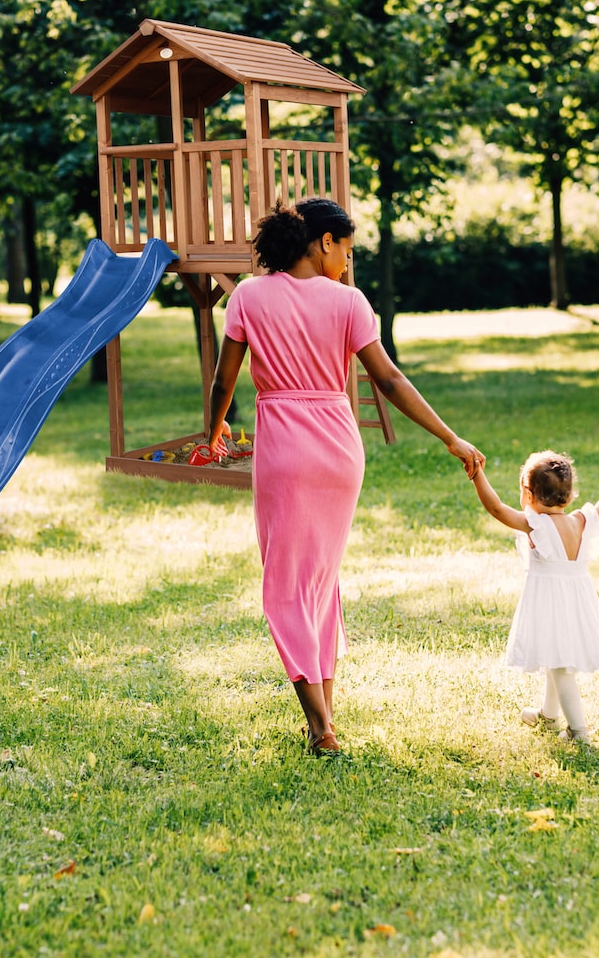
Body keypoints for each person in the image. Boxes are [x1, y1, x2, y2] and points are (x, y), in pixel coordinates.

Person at [207, 198, 484, 756]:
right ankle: (325, 715)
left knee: (286, 585)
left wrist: (211, 432)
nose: (349, 264)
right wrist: (449, 436)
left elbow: (224, 382)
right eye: (347, 250)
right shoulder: (350, 303)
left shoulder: (248, 296)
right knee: (319, 581)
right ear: (324, 242)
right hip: (339, 449)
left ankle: (319, 726)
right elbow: (388, 380)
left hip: (284, 449)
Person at [470, 450, 599, 743]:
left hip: (550, 604)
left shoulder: (536, 525)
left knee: (560, 667)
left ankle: (578, 731)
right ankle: (548, 715)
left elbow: (496, 508)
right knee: (554, 656)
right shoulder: (581, 520)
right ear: (570, 495)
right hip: (576, 602)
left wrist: (477, 474)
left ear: (529, 494)